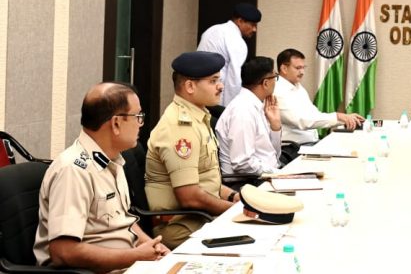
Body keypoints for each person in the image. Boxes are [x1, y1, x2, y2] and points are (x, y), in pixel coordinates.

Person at [34, 83, 169, 272]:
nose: (141, 123)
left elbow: (122, 221)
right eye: (137, 116)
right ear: (116, 123)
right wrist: (136, 256)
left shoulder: (112, 159)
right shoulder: (74, 170)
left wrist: (153, 247)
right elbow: (63, 251)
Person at [144, 51, 241, 249]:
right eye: (213, 81)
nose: (221, 86)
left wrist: (234, 197)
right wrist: (234, 211)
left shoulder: (198, 117)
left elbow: (205, 181)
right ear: (190, 86)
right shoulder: (180, 127)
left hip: (201, 219)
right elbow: (190, 196)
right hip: (181, 227)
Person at [274, 48, 363, 145]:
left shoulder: (298, 87)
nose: (302, 72)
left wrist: (345, 119)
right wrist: (338, 117)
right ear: (284, 68)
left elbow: (314, 114)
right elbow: (302, 121)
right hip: (292, 147)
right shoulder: (277, 90)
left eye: (303, 68)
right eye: (298, 68)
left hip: (309, 143)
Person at [215, 57, 283, 175]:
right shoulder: (243, 110)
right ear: (266, 83)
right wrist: (279, 174)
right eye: (275, 77)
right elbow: (242, 163)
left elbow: (273, 154)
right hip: (248, 181)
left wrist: (275, 126)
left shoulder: (256, 105)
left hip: (266, 173)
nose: (276, 82)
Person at [197, 3, 262, 106]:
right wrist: (229, 109)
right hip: (217, 95)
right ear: (240, 21)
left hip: (198, 90)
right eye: (252, 25)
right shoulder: (238, 42)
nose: (255, 30)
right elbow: (233, 80)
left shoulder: (211, 30)